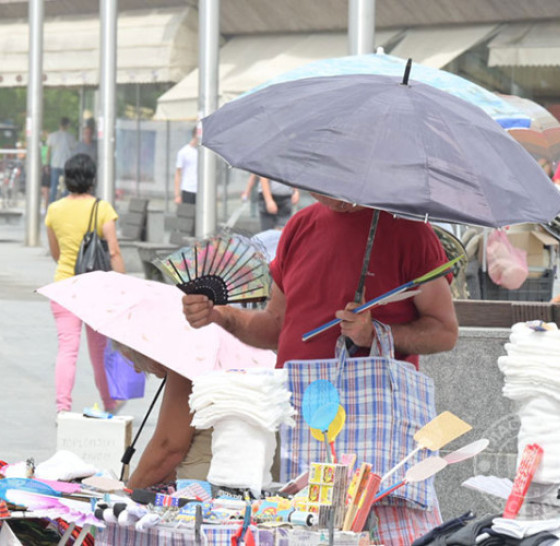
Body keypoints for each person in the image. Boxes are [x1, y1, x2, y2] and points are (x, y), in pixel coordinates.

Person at [182, 192, 458, 543]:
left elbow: (445, 331)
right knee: (296, 530)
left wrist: (374, 333)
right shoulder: (300, 226)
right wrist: (222, 316)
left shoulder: (411, 232)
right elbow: (277, 327)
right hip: (296, 418)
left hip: (373, 427)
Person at [45, 153, 125, 415]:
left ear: (66, 178)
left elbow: (56, 253)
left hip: (63, 287)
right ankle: (109, 403)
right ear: (92, 179)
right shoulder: (102, 208)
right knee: (99, 351)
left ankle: (62, 408)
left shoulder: (54, 210)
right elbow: (113, 252)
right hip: (95, 290)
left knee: (67, 350)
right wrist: (122, 287)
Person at [116, 345, 211, 489]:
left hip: (203, 485)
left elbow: (168, 448)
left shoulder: (187, 360)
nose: (137, 369)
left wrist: (129, 492)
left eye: (135, 360)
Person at [45, 117, 77, 203]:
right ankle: (65, 205)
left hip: (55, 164)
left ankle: (52, 205)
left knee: (53, 187)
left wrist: (47, 164)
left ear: (59, 124)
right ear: (68, 125)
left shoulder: (52, 136)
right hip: (67, 164)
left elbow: (48, 151)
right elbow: (74, 150)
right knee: (66, 188)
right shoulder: (71, 137)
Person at [173, 127, 198, 205]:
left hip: (202, 190)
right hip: (188, 190)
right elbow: (178, 173)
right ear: (195, 135)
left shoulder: (205, 152)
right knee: (188, 211)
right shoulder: (184, 152)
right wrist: (177, 195)